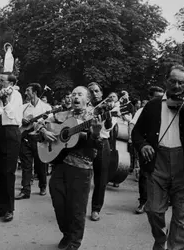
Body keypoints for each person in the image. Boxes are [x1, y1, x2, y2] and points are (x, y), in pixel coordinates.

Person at [132, 65, 184, 250]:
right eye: (173, 81)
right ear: (165, 80)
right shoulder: (152, 105)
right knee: (154, 210)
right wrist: (143, 145)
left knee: (183, 216)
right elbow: (136, 133)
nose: (177, 86)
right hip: (158, 163)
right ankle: (160, 240)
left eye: (181, 82)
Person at [37, 86, 103, 250]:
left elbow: (98, 144)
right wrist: (44, 131)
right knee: (58, 200)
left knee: (77, 207)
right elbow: (40, 123)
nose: (75, 97)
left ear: (87, 99)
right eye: (73, 94)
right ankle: (67, 233)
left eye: (80, 94)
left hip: (81, 167)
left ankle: (74, 241)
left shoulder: (93, 116)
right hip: (61, 164)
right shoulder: (63, 114)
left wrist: (95, 133)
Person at [0, 72, 23, 222]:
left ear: (10, 83)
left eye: (2, 80)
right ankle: (2, 207)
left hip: (11, 132)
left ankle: (10, 209)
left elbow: (13, 116)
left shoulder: (16, 95)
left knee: (8, 172)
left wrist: (5, 101)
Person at [129, 86, 164, 214]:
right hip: (146, 148)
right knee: (144, 176)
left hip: (161, 149)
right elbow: (134, 127)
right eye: (156, 97)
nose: (160, 100)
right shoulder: (143, 110)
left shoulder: (166, 110)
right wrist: (140, 144)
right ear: (150, 98)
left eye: (162, 97)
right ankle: (143, 202)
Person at [16, 83, 51, 200]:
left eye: (28, 91)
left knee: (41, 163)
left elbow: (50, 123)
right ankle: (25, 190)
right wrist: (22, 120)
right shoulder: (24, 107)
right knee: (26, 165)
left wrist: (43, 124)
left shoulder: (46, 107)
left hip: (39, 138)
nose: (26, 93)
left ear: (35, 92)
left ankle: (42, 186)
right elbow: (17, 121)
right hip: (25, 137)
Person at [87, 82, 115, 222]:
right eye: (91, 92)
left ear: (102, 93)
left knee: (101, 178)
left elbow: (109, 127)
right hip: (85, 141)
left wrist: (108, 115)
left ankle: (96, 209)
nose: (95, 94)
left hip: (102, 142)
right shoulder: (85, 107)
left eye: (97, 91)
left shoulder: (109, 107)